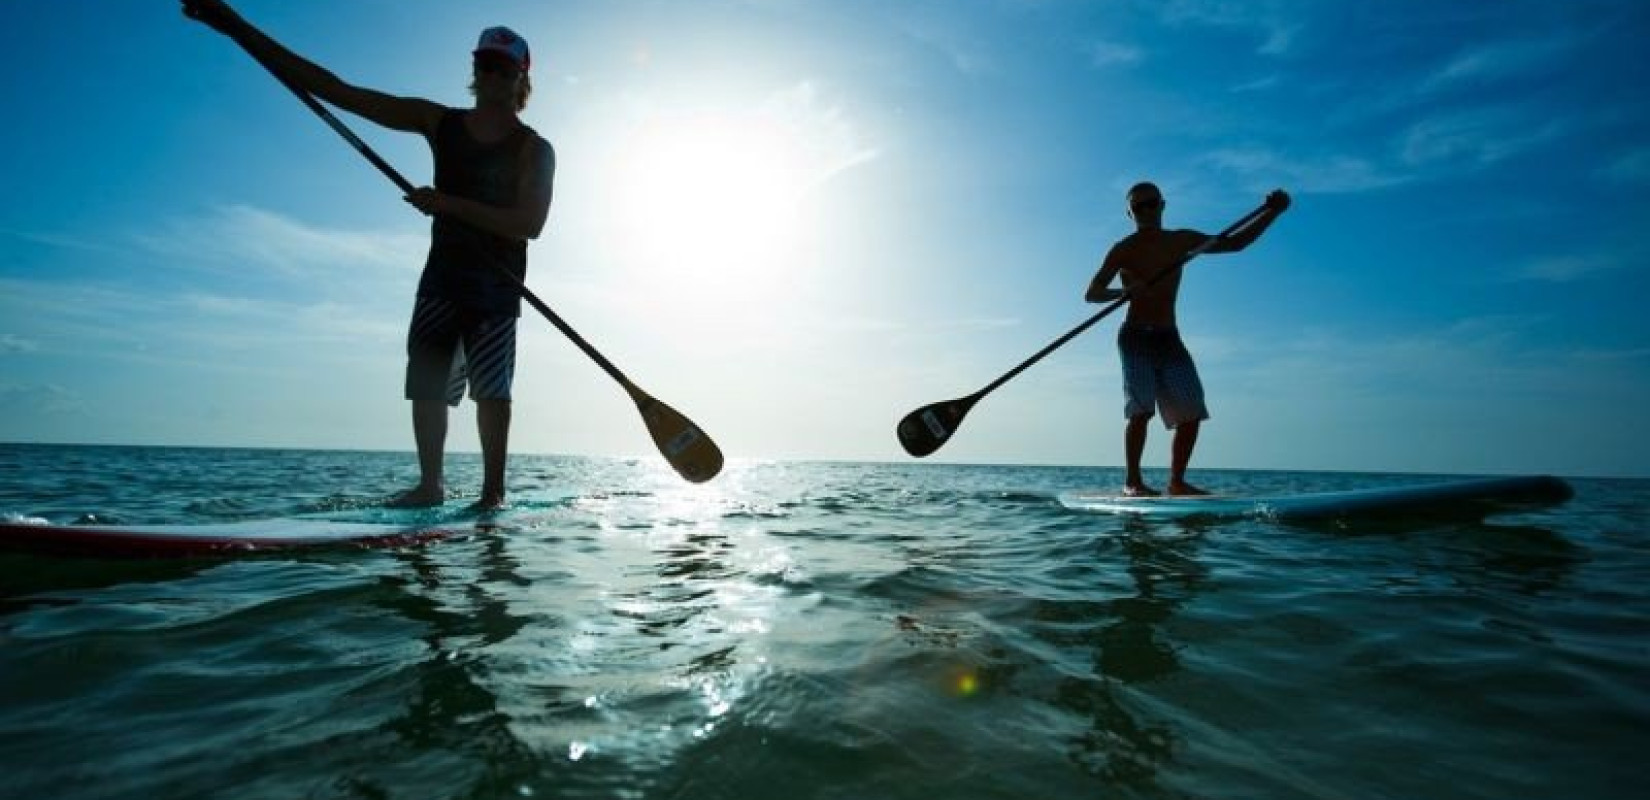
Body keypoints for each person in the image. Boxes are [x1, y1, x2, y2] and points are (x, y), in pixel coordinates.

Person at [184, 1, 556, 509]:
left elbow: (528, 224)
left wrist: (446, 203)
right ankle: (431, 486)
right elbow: (339, 91)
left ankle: (493, 494)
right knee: (426, 382)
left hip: (496, 288)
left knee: (492, 390)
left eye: (502, 68)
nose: (490, 74)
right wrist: (234, 27)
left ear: (521, 79)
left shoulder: (535, 149)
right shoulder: (437, 121)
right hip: (441, 280)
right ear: (475, 71)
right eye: (483, 65)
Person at [1085, 182, 1289, 496]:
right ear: (1130, 213)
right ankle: (1133, 482)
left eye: (1151, 203)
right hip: (1136, 336)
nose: (1146, 211)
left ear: (1162, 205)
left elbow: (1235, 243)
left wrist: (1273, 212)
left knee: (1191, 412)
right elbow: (1092, 294)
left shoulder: (1181, 241)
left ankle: (1177, 482)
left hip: (1169, 336)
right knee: (1141, 411)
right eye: (1139, 207)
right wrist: (1123, 291)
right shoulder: (1123, 249)